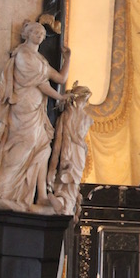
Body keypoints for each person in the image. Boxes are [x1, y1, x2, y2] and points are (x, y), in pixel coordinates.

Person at [0, 22, 70, 210]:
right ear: (26, 35)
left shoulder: (41, 60)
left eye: (42, 33)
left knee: (42, 147)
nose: (39, 35)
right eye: (35, 32)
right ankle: (2, 190)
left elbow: (60, 79)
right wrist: (60, 96)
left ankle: (40, 195)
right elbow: (42, 85)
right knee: (24, 144)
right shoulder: (22, 55)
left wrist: (68, 58)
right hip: (23, 107)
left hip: (37, 109)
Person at [47, 83, 93, 216]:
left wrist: (52, 169)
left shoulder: (67, 115)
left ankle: (60, 200)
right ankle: (62, 203)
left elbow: (57, 146)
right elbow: (59, 144)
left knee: (69, 182)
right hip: (77, 152)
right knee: (72, 183)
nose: (86, 103)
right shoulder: (82, 117)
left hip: (72, 152)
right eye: (85, 100)